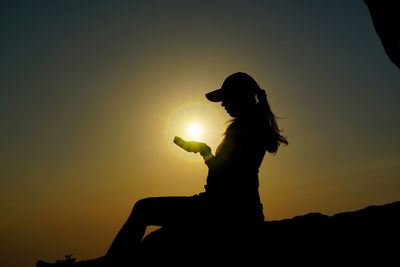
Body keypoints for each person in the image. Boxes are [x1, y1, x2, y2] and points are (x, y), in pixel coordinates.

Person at [37, 72, 288, 266]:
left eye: (226, 99)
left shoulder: (243, 129)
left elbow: (227, 175)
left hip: (223, 212)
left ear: (241, 96)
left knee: (143, 208)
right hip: (233, 210)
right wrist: (205, 151)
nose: (222, 105)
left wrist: (204, 151)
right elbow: (232, 173)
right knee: (152, 238)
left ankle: (108, 264)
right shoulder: (253, 126)